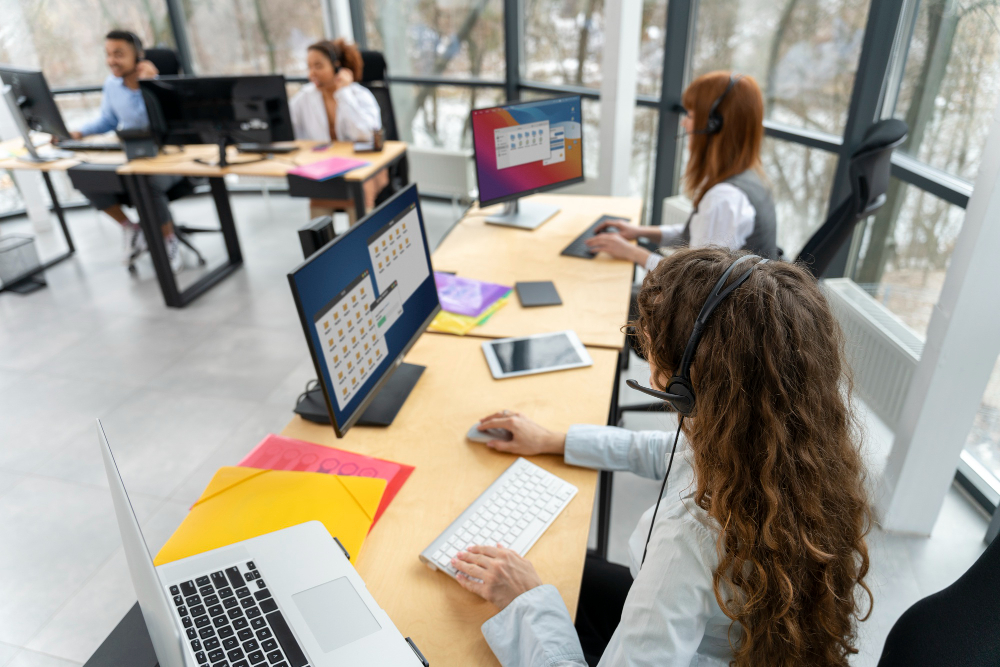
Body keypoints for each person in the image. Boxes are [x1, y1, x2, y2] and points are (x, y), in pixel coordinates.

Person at [458, 247, 872, 667]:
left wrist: (527, 604)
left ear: (686, 382)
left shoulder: (688, 539)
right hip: (738, 643)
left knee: (518, 598)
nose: (646, 348)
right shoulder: (787, 451)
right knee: (573, 572)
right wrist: (555, 440)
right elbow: (667, 454)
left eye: (653, 342)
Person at [587, 72, 778, 269]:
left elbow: (694, 281)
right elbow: (700, 233)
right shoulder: (749, 176)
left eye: (690, 115)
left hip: (703, 289)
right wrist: (640, 232)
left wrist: (632, 253)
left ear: (713, 126)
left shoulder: (724, 198)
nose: (683, 123)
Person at [65, 29, 184, 270]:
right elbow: (108, 120)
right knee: (83, 176)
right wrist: (79, 132)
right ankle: (132, 228)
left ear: (138, 55)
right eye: (108, 54)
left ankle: (168, 240)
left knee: (147, 181)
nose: (111, 61)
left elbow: (170, 122)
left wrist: (150, 85)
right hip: (133, 153)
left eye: (118, 54)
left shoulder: (158, 83)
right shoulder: (112, 84)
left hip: (170, 159)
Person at [289, 38, 388, 220]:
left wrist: (343, 93)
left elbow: (366, 134)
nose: (312, 73)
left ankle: (360, 238)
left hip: (364, 167)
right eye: (309, 67)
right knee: (318, 198)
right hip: (326, 168)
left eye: (318, 66)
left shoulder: (359, 95)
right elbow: (287, 130)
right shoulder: (304, 98)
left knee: (358, 192)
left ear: (337, 66)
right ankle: (321, 239)